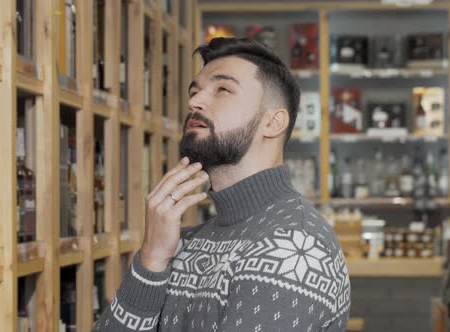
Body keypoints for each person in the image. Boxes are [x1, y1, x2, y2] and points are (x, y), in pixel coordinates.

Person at [93, 37, 350, 332]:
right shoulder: (181, 243)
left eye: (223, 89)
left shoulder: (295, 248)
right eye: (195, 91)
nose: (194, 102)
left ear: (273, 123)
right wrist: (151, 259)